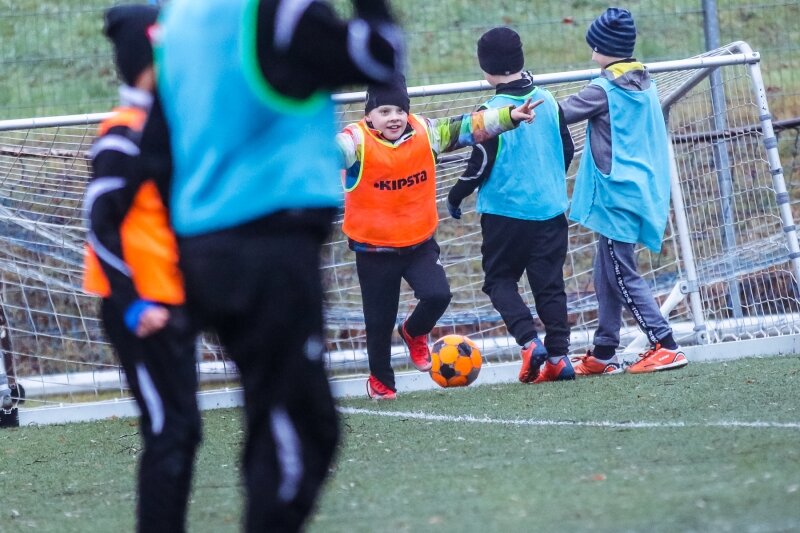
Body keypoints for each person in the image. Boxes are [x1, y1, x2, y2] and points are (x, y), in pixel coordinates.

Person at [141, 1, 405, 531]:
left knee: (279, 421)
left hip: (204, 243)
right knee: (300, 430)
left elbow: (156, 145)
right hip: (267, 245)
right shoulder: (277, 11)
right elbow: (381, 56)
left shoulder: (178, 18)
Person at [336, 76, 539, 400]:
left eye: (399, 110)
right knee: (378, 322)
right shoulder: (354, 141)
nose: (393, 118)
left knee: (438, 295)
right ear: (369, 115)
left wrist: (509, 117)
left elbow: (469, 126)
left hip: (418, 243)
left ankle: (413, 331)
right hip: (373, 249)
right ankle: (382, 384)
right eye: (384, 111)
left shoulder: (427, 131)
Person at [82, 5, 200, 532]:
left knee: (184, 429)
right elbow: (99, 224)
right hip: (141, 310)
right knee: (168, 428)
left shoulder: (171, 128)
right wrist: (133, 303)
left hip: (174, 304)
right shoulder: (122, 136)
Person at [559, 7, 688, 375]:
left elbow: (559, 113)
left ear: (603, 47)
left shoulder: (604, 89)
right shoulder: (645, 82)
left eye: (594, 47)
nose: (591, 54)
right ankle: (604, 352)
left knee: (620, 272)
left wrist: (520, 103)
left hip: (617, 195)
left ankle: (665, 344)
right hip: (638, 188)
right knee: (605, 270)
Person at [447, 27, 576, 385]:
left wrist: (455, 196)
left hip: (505, 214)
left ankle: (529, 342)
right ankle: (560, 358)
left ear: (485, 68)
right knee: (549, 285)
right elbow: (567, 149)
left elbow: (479, 166)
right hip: (550, 210)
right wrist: (547, 181)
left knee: (499, 280)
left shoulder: (490, 112)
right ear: (520, 59)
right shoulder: (548, 100)